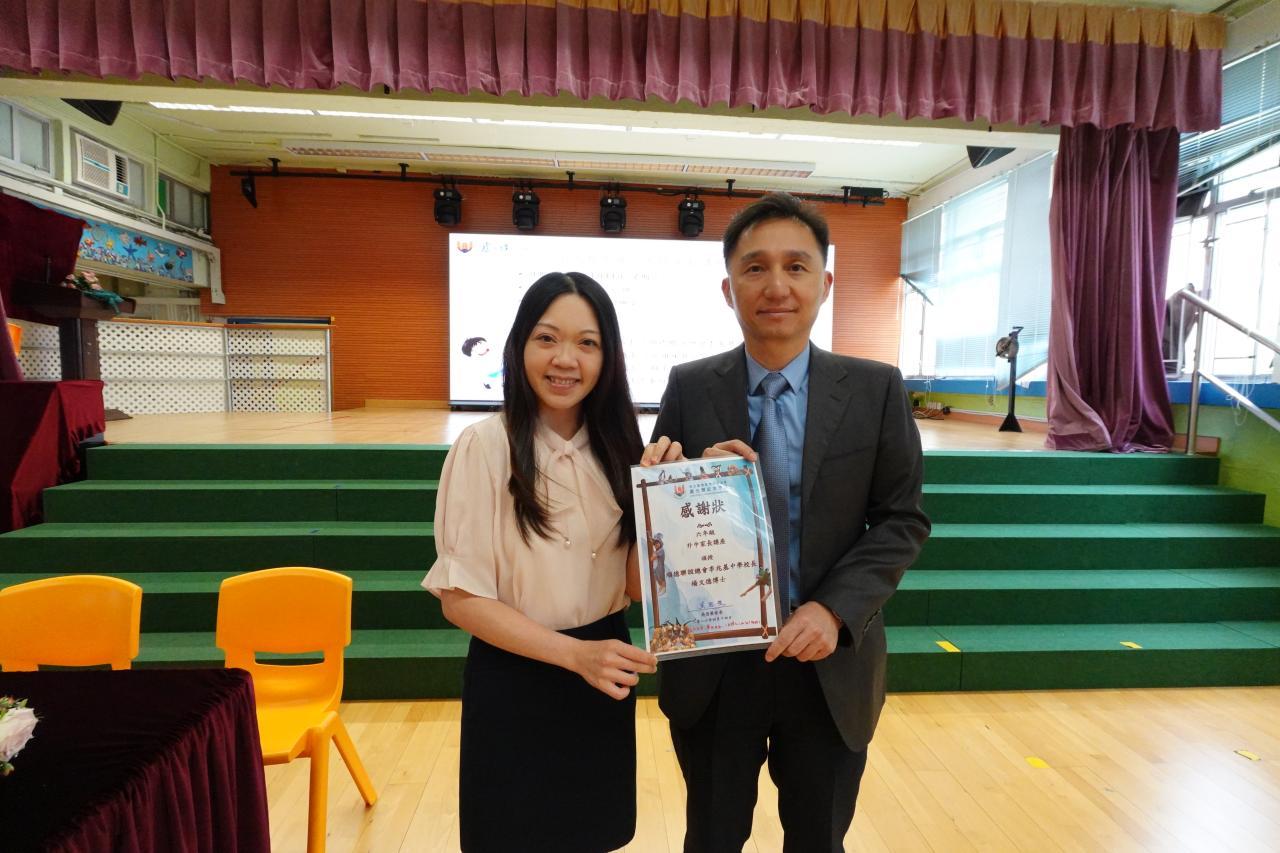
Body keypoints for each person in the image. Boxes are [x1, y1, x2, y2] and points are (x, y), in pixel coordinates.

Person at [642, 193, 930, 852]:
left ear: (824, 283)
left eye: (796, 266)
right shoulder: (689, 386)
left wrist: (834, 609)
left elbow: (901, 518)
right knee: (711, 838)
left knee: (818, 840)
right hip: (717, 667)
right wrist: (680, 482)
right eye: (755, 268)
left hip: (827, 661)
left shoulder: (876, 389)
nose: (776, 286)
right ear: (729, 288)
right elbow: (662, 524)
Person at [423, 271, 658, 853]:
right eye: (547, 338)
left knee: (595, 833)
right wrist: (574, 655)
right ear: (519, 345)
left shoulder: (622, 450)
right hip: (515, 675)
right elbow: (461, 600)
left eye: (587, 343)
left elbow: (634, 587)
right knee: (511, 835)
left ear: (608, 357)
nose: (565, 360)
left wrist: (665, 505)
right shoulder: (485, 446)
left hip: (604, 668)